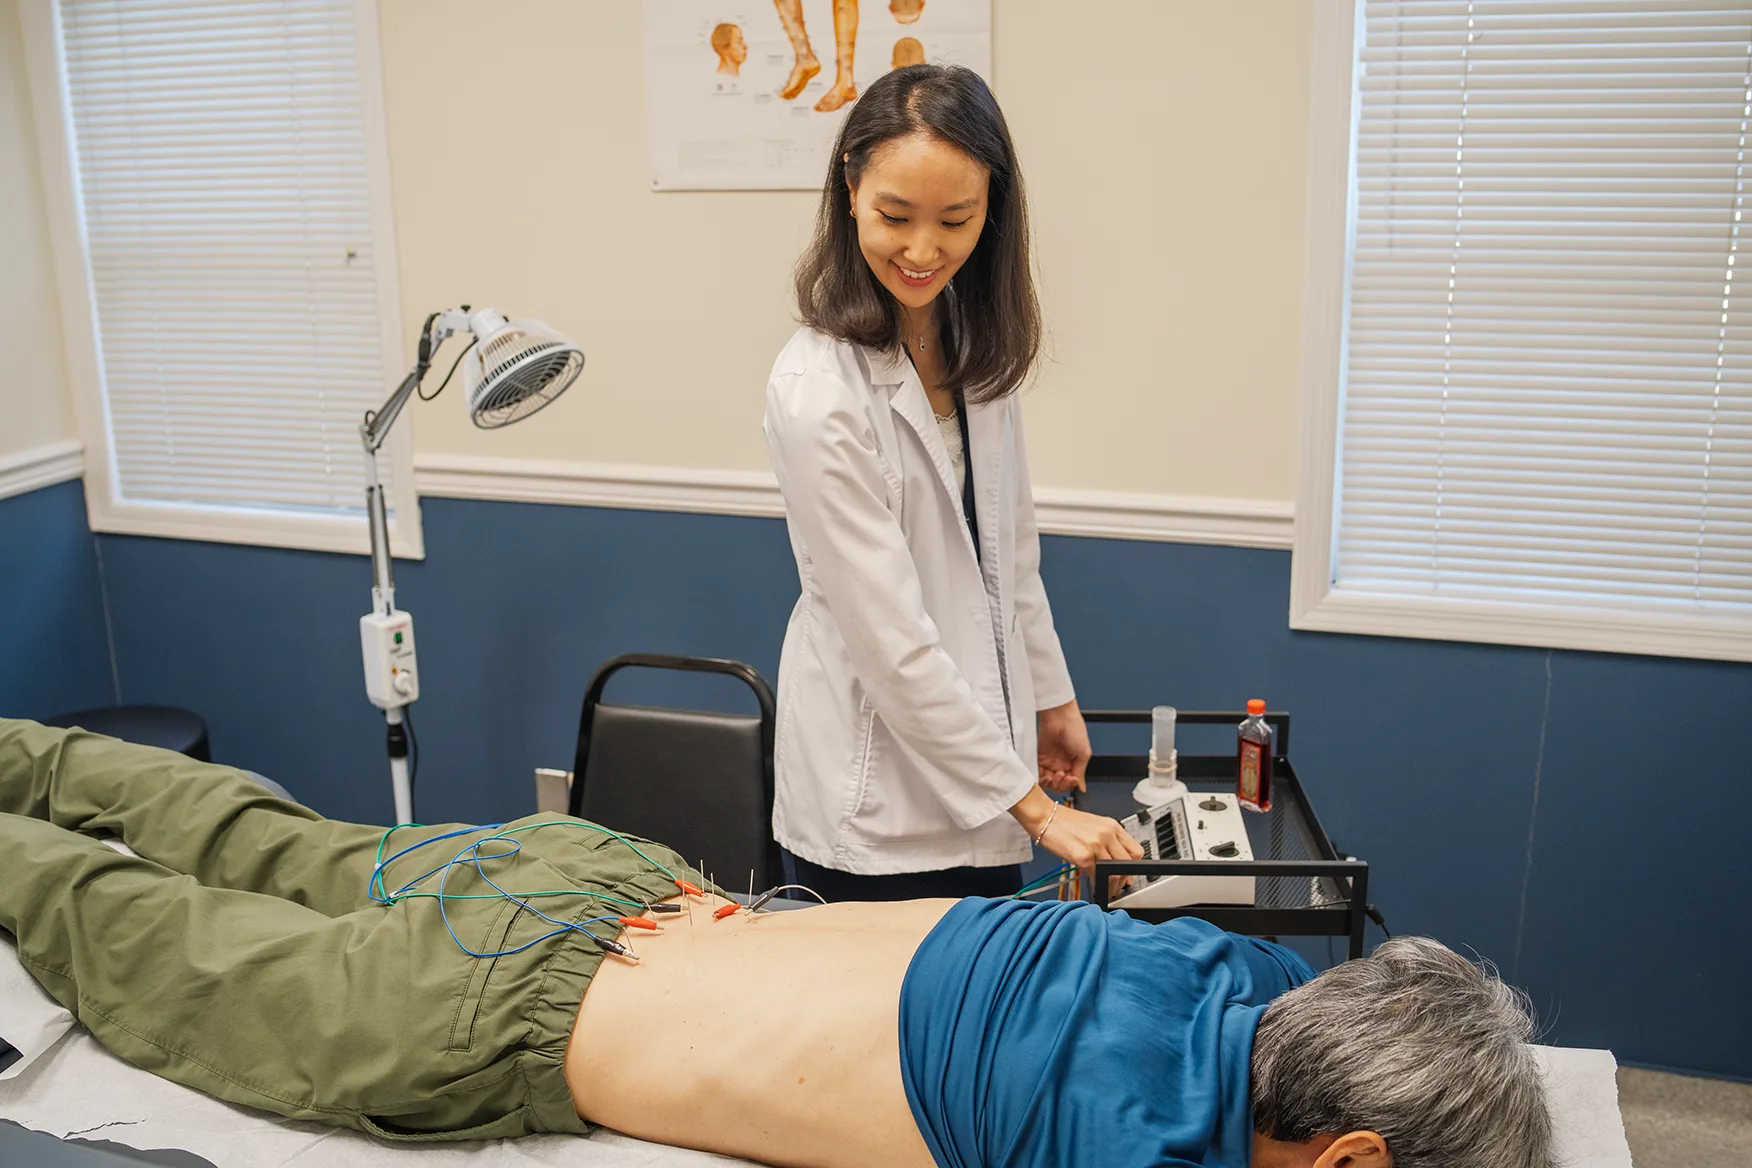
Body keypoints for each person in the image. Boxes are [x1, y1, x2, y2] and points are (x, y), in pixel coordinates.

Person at [1, 719, 1555, 1167]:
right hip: (482, 1017)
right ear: (1349, 1165)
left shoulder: (1228, 977)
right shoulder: (1126, 1154)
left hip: (605, 879)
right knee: (110, 927)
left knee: (245, 833)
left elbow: (1369, 987)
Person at [764, 64, 1145, 902]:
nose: (923, 250)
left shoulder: (976, 343)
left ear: (993, 210)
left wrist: (1051, 695)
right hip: (871, 806)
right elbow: (890, 643)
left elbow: (1009, 548)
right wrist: (1039, 813)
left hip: (988, 786)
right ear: (850, 186)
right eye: (895, 216)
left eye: (956, 219)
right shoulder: (816, 392)